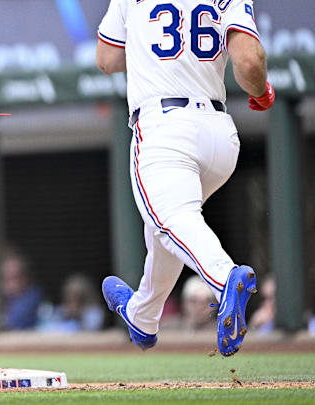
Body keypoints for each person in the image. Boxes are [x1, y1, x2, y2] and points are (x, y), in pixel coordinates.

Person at [96, 0, 272, 356]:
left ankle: (225, 279)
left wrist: (146, 44)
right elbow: (249, 62)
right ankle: (142, 316)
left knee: (171, 220)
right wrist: (261, 91)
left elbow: (107, 59)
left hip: (165, 127)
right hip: (219, 135)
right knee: (167, 230)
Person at [39, 274, 104, 333]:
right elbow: (46, 328)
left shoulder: (94, 312)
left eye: (76, 295)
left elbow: (91, 328)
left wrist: (77, 314)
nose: (71, 297)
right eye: (69, 294)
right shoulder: (61, 310)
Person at [0, 248, 43, 330]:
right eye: (4, 279)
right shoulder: (4, 299)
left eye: (13, 278)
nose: (7, 285)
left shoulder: (32, 297)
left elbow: (10, 323)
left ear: (25, 279)